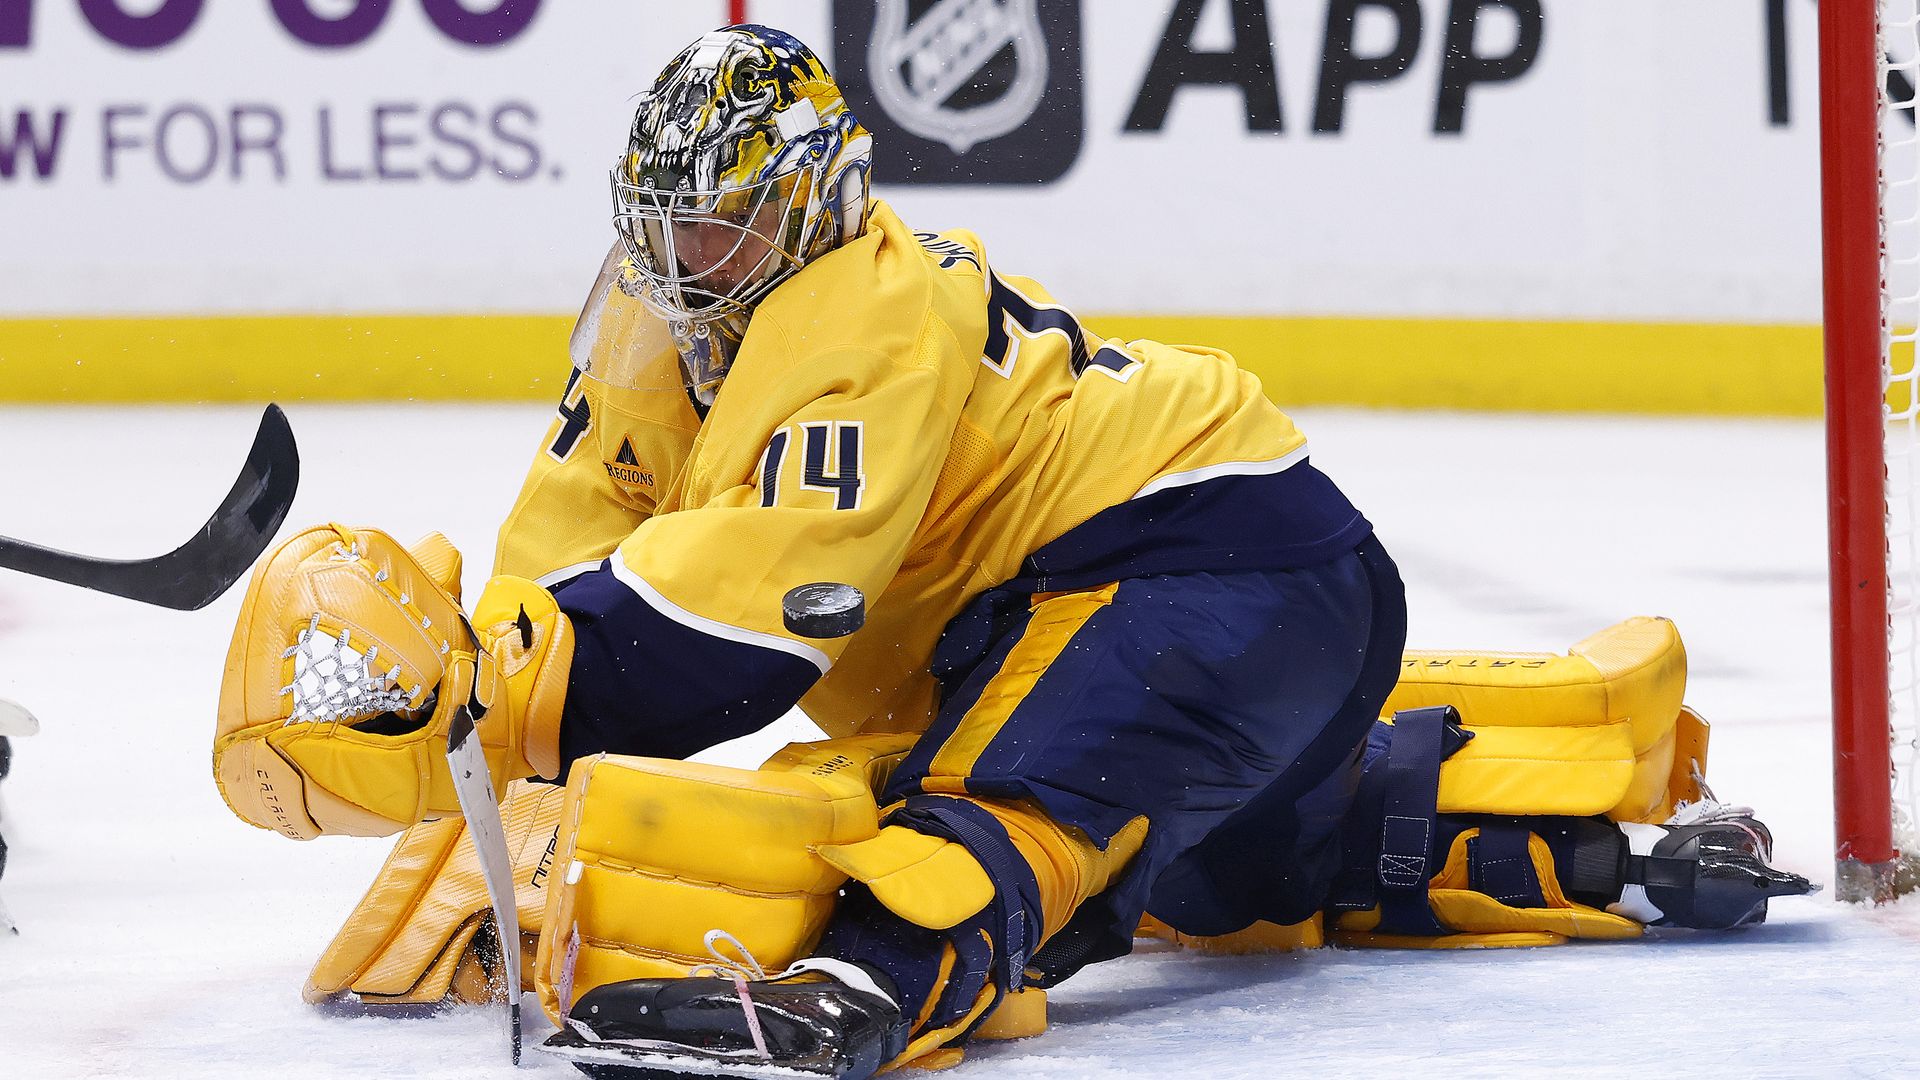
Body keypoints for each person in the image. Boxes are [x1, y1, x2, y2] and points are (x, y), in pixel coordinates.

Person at [211, 25, 1810, 1080]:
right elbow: (577, 526)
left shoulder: (864, 311)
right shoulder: (664, 306)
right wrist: (489, 683)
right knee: (1236, 883)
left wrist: (506, 699)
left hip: (1215, 563)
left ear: (818, 200)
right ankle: (1623, 851)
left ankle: (870, 986)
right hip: (1149, 609)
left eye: (717, 231)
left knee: (1002, 818)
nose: (680, 265)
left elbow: (734, 646)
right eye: (659, 228)